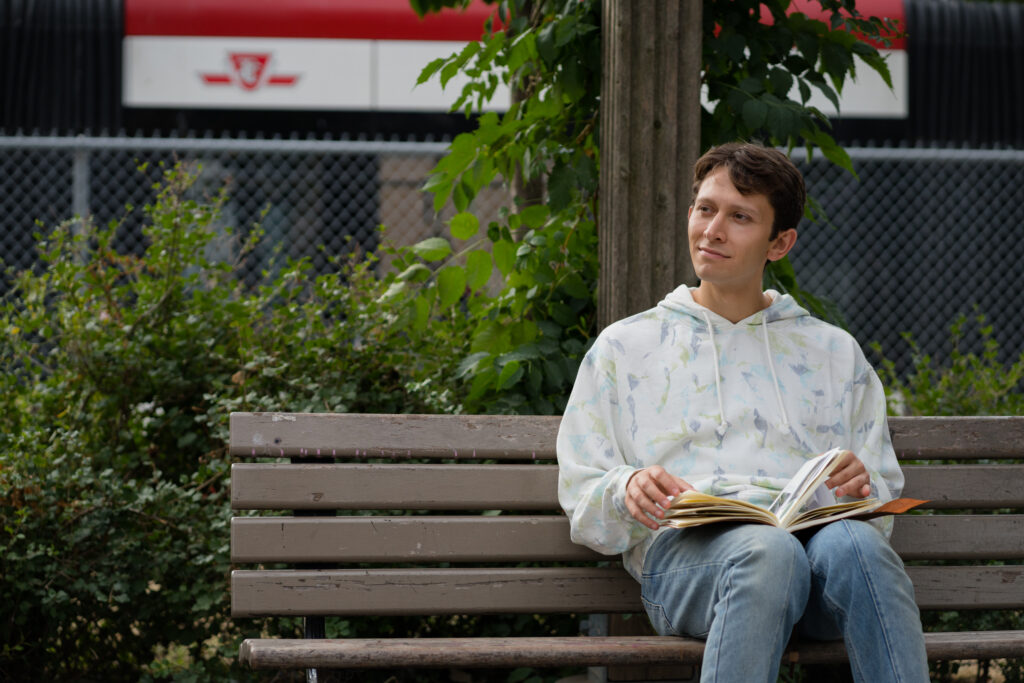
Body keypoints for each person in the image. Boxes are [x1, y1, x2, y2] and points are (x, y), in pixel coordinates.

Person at [556, 142, 928, 682]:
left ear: (780, 243)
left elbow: (880, 496)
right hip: (688, 567)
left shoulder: (832, 351)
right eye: (706, 209)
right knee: (768, 552)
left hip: (820, 568)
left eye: (740, 217)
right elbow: (583, 496)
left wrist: (859, 488)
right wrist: (625, 486)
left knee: (857, 546)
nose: (713, 230)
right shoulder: (625, 347)